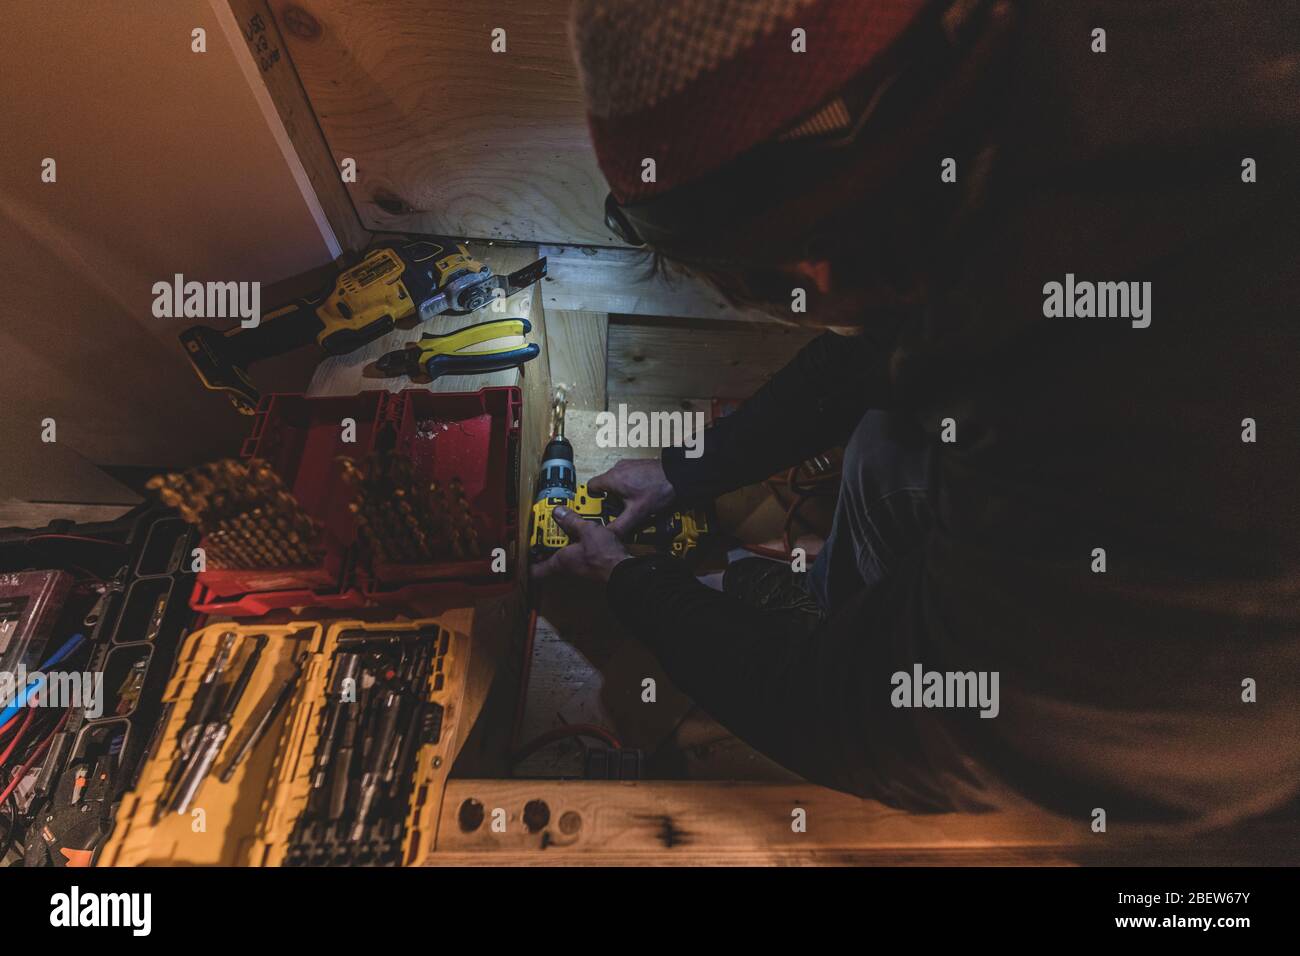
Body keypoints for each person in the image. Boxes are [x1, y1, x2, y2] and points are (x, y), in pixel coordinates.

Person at [533, 0, 1300, 828]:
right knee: (884, 446)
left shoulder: (1163, 480)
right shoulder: (992, 110)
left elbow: (858, 717)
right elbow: (883, 330)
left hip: (1201, 731)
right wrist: (691, 469)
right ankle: (833, 602)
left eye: (742, 278)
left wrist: (632, 584)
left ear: (816, 255)